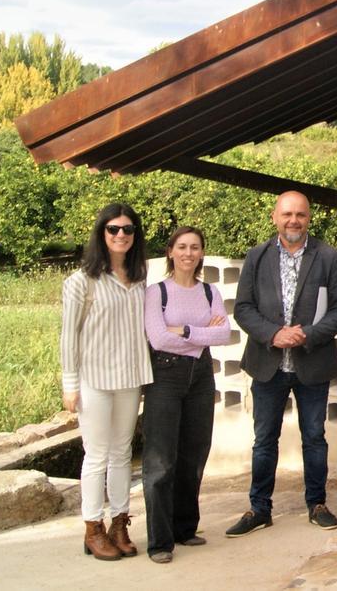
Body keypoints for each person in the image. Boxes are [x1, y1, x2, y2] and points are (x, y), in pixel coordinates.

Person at [227, 191, 337, 535]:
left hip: (311, 363)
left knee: (314, 437)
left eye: (300, 214)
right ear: (274, 217)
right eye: (287, 214)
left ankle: (317, 503)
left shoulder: (328, 257)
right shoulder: (257, 256)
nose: (293, 220)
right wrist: (273, 334)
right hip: (268, 364)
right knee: (264, 439)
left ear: (308, 218)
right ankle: (259, 508)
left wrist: (306, 335)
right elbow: (243, 308)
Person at [59, 203, 151, 561]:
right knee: (96, 455)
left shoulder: (140, 278)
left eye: (128, 229)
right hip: (94, 379)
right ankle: (92, 528)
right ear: (101, 233)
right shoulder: (81, 282)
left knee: (121, 454)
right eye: (113, 229)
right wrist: (70, 384)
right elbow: (69, 336)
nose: (121, 235)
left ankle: (119, 524)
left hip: (129, 378)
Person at [142, 226, 231, 563]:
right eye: (182, 247)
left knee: (194, 454)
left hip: (200, 375)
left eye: (195, 247)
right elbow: (159, 339)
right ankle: (160, 542)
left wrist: (186, 331)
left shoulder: (210, 292)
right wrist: (203, 333)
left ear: (201, 253)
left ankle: (185, 528)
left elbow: (224, 335)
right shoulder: (156, 292)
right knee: (161, 460)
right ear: (170, 252)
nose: (188, 253)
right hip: (165, 375)